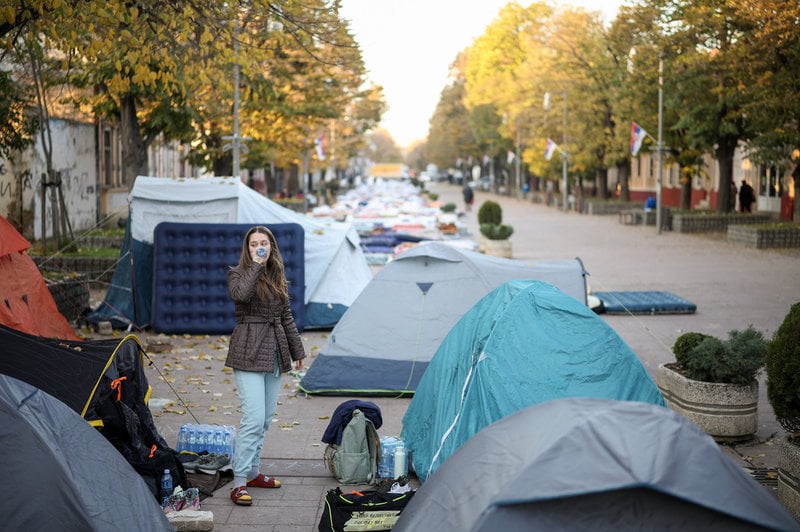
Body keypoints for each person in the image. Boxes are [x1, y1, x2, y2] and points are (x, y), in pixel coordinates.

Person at [225, 226, 306, 506]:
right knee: (253, 418)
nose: (259, 247)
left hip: (274, 351)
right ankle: (238, 482)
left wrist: (297, 350)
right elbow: (241, 296)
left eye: (264, 243)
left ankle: (253, 472)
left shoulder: (277, 275)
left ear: (272, 246)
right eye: (253, 244)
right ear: (247, 249)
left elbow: (286, 317)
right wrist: (256, 266)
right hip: (248, 349)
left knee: (266, 418)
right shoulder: (237, 273)